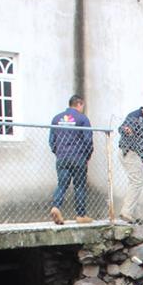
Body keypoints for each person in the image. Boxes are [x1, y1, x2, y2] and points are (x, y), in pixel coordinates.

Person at [48, 95, 94, 225]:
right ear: (79, 104)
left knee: (62, 184)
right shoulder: (83, 119)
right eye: (82, 106)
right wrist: (87, 155)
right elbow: (88, 140)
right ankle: (80, 215)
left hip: (62, 157)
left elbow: (51, 140)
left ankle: (56, 207)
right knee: (79, 186)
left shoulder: (56, 119)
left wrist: (58, 152)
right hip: (78, 157)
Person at [117, 101, 143, 224]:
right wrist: (126, 130)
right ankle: (126, 212)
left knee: (135, 182)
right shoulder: (135, 115)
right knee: (137, 182)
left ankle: (135, 215)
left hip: (137, 154)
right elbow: (121, 128)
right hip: (128, 152)